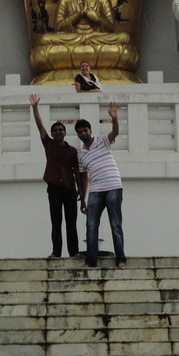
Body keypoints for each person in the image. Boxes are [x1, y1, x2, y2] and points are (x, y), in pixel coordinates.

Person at [29, 94, 82, 258]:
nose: (58, 132)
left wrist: (81, 191)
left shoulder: (72, 151)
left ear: (65, 133)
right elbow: (40, 126)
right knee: (56, 221)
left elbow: (77, 172)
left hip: (70, 189)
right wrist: (35, 107)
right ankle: (56, 252)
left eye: (60, 130)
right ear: (52, 133)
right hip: (54, 189)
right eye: (55, 130)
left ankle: (74, 251)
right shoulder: (49, 144)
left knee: (71, 223)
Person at [76, 101, 126, 268]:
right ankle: (91, 261)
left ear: (90, 131)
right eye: (80, 132)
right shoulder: (81, 154)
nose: (84, 133)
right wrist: (83, 198)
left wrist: (114, 118)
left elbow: (115, 132)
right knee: (91, 225)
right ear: (78, 135)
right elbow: (84, 177)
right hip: (96, 190)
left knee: (115, 224)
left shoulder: (103, 140)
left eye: (86, 130)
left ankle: (120, 259)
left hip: (113, 185)